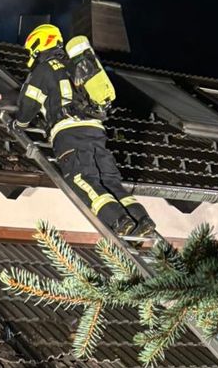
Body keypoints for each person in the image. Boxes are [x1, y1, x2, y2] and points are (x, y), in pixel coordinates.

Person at [12, 23, 156, 238]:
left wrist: (18, 125)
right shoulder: (75, 65)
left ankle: (118, 220)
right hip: (96, 131)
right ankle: (141, 220)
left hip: (69, 133)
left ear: (37, 44)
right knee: (110, 182)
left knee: (81, 179)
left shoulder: (43, 69)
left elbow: (26, 107)